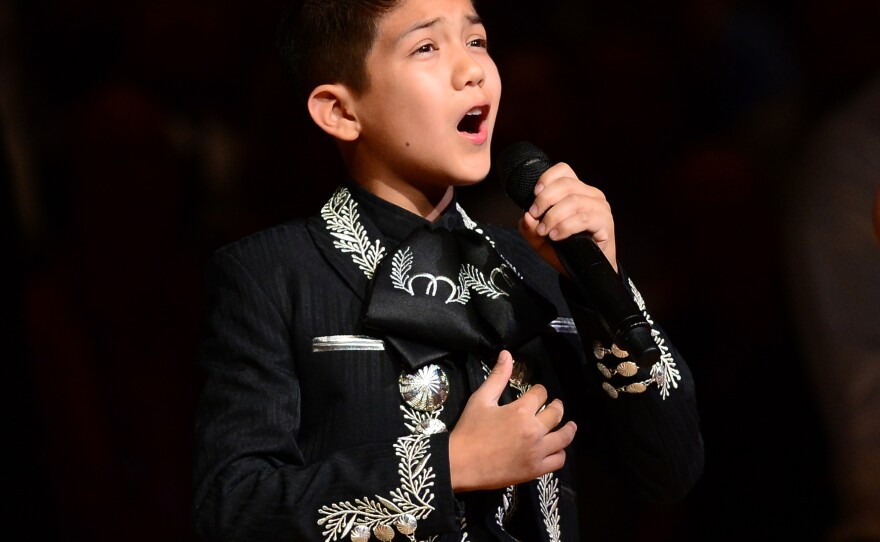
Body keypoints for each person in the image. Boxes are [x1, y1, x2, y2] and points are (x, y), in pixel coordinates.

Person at [191, 1, 704, 540]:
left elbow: (670, 471)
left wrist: (602, 282)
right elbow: (232, 508)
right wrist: (449, 467)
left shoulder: (543, 267)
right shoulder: (275, 273)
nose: (472, 69)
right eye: (427, 48)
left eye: (477, 41)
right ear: (340, 111)